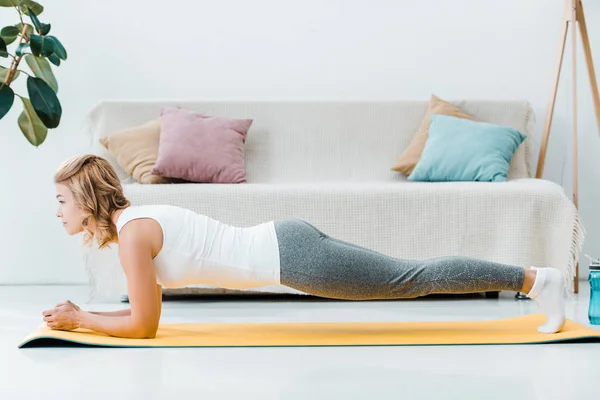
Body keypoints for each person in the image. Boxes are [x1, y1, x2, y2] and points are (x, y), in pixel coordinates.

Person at [43, 155, 567, 339]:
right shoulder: (135, 225)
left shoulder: (134, 233)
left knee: (413, 278)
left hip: (292, 257)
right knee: (412, 275)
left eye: (63, 200)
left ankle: (535, 280)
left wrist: (81, 318)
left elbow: (143, 325)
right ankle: (533, 280)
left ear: (87, 200)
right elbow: (141, 314)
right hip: (287, 244)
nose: (59, 211)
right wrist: (84, 314)